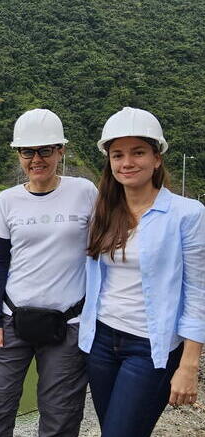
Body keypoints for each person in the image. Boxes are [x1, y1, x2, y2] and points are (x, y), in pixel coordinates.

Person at [79, 107, 205, 437]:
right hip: (101, 342)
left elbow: (197, 293)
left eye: (138, 152)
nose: (127, 163)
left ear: (157, 158)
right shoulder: (102, 211)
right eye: (117, 154)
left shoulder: (186, 214)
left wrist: (189, 365)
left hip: (150, 350)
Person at [0, 108, 98, 437]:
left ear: (60, 151)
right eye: (28, 152)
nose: (36, 159)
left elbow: (102, 254)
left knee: (61, 417)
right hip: (11, 322)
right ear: (19, 155)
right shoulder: (7, 201)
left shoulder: (85, 192)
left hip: (68, 325)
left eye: (45, 150)